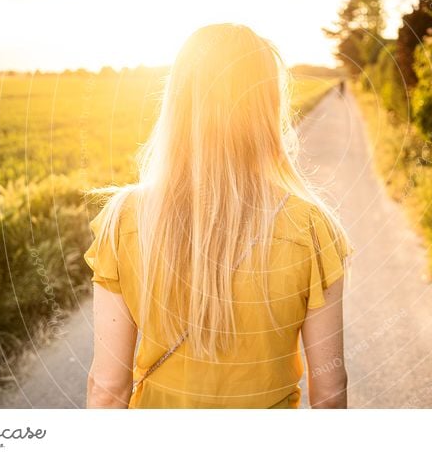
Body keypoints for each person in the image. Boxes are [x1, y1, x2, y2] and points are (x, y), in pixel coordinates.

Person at [83, 23, 354, 409]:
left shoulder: (124, 219)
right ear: (268, 107)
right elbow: (329, 393)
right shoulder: (310, 227)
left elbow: (107, 389)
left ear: (178, 104)